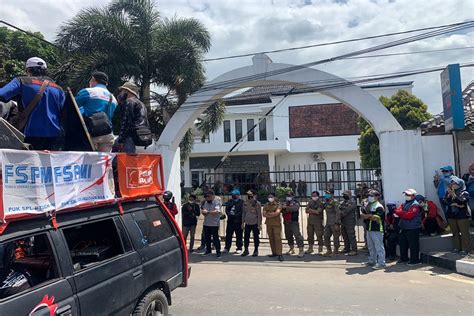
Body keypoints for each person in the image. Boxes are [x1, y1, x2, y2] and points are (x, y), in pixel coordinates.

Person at [0, 57, 65, 150]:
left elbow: (2, 94)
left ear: (28, 70)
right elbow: (63, 112)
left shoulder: (22, 81)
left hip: (29, 134)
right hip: (54, 136)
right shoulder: (59, 89)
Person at [75, 71, 118, 152]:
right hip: (107, 134)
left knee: (87, 162)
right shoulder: (113, 98)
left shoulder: (88, 92)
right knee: (104, 162)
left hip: (91, 133)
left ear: (93, 79)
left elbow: (73, 106)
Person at [116, 81, 150, 153]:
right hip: (140, 136)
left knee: (122, 160)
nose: (120, 93)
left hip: (130, 136)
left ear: (127, 91)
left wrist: (121, 140)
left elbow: (126, 121)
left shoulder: (129, 102)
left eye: (122, 91)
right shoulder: (141, 104)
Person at [395, 189, 422, 266]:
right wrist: (402, 213)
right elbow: (397, 210)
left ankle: (415, 260)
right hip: (403, 226)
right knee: (403, 244)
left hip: (413, 227)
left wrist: (401, 213)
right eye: (406, 194)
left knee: (413, 245)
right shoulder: (404, 203)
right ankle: (404, 258)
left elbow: (409, 215)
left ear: (413, 196)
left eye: (408, 195)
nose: (406, 196)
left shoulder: (415, 205)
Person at [444, 177, 471, 256]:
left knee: (464, 233)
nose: (453, 185)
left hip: (462, 216)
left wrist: (454, 196)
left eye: (455, 184)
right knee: (455, 233)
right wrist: (451, 200)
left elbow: (461, 201)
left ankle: (465, 249)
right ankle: (457, 247)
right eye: (452, 183)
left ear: (460, 184)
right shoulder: (449, 192)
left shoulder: (464, 193)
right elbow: (445, 201)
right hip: (452, 215)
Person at [361, 189, 386, 269]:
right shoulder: (369, 205)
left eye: (372, 196)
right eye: (369, 195)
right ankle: (372, 260)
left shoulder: (378, 206)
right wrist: (369, 216)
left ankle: (381, 263)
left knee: (379, 247)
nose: (369, 197)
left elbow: (377, 218)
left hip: (377, 229)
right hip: (369, 228)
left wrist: (368, 216)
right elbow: (363, 215)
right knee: (371, 246)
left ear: (377, 197)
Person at [281, 191, 305, 258]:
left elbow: (295, 208)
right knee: (288, 235)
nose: (288, 197)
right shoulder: (284, 202)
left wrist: (286, 208)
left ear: (293, 196)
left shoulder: (296, 202)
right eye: (287, 195)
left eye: (289, 195)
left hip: (293, 221)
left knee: (297, 235)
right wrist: (285, 208)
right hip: (286, 221)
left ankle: (301, 250)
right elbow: (280, 209)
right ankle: (291, 248)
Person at [201, 190, 222, 257]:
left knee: (215, 238)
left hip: (214, 224)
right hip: (206, 223)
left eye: (208, 197)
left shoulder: (216, 202)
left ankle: (218, 252)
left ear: (213, 196)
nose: (207, 198)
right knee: (207, 238)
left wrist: (208, 212)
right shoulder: (205, 203)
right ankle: (208, 250)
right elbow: (204, 212)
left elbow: (216, 211)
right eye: (206, 197)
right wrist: (204, 212)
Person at [263, 193, 284, 261]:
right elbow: (264, 214)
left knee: (277, 239)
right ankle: (274, 252)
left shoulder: (278, 205)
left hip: (276, 224)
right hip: (269, 224)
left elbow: (277, 213)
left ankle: (280, 254)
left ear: (274, 197)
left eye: (271, 197)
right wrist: (272, 214)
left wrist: (268, 214)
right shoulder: (266, 205)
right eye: (269, 197)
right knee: (271, 238)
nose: (270, 198)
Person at [241, 190, 262, 257]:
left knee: (256, 237)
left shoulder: (257, 203)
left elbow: (259, 214)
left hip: (255, 223)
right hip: (247, 223)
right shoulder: (245, 203)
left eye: (250, 195)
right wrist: (242, 222)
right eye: (248, 195)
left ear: (254, 195)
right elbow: (243, 213)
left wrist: (259, 224)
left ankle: (256, 250)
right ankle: (246, 250)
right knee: (246, 237)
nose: (249, 196)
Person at [223, 190, 244, 254]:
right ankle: (227, 248)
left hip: (238, 221)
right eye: (232, 195)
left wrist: (236, 216)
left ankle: (239, 247)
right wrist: (229, 214)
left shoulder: (242, 202)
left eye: (234, 194)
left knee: (239, 235)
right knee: (228, 235)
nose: (233, 196)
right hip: (230, 221)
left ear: (238, 195)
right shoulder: (230, 202)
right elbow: (227, 210)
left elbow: (242, 211)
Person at [322, 189, 341, 257]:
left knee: (336, 237)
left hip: (334, 222)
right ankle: (329, 250)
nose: (326, 195)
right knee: (326, 236)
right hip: (328, 223)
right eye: (326, 193)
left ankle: (336, 251)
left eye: (328, 193)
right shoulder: (326, 202)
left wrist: (337, 223)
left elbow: (338, 213)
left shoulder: (335, 202)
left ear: (332, 194)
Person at [340, 190, 358, 256]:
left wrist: (340, 213)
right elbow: (340, 208)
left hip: (350, 221)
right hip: (343, 221)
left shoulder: (352, 202)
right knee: (344, 235)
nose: (344, 196)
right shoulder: (343, 202)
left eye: (345, 194)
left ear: (350, 195)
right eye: (343, 194)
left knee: (351, 235)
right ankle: (346, 248)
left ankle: (354, 250)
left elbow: (346, 210)